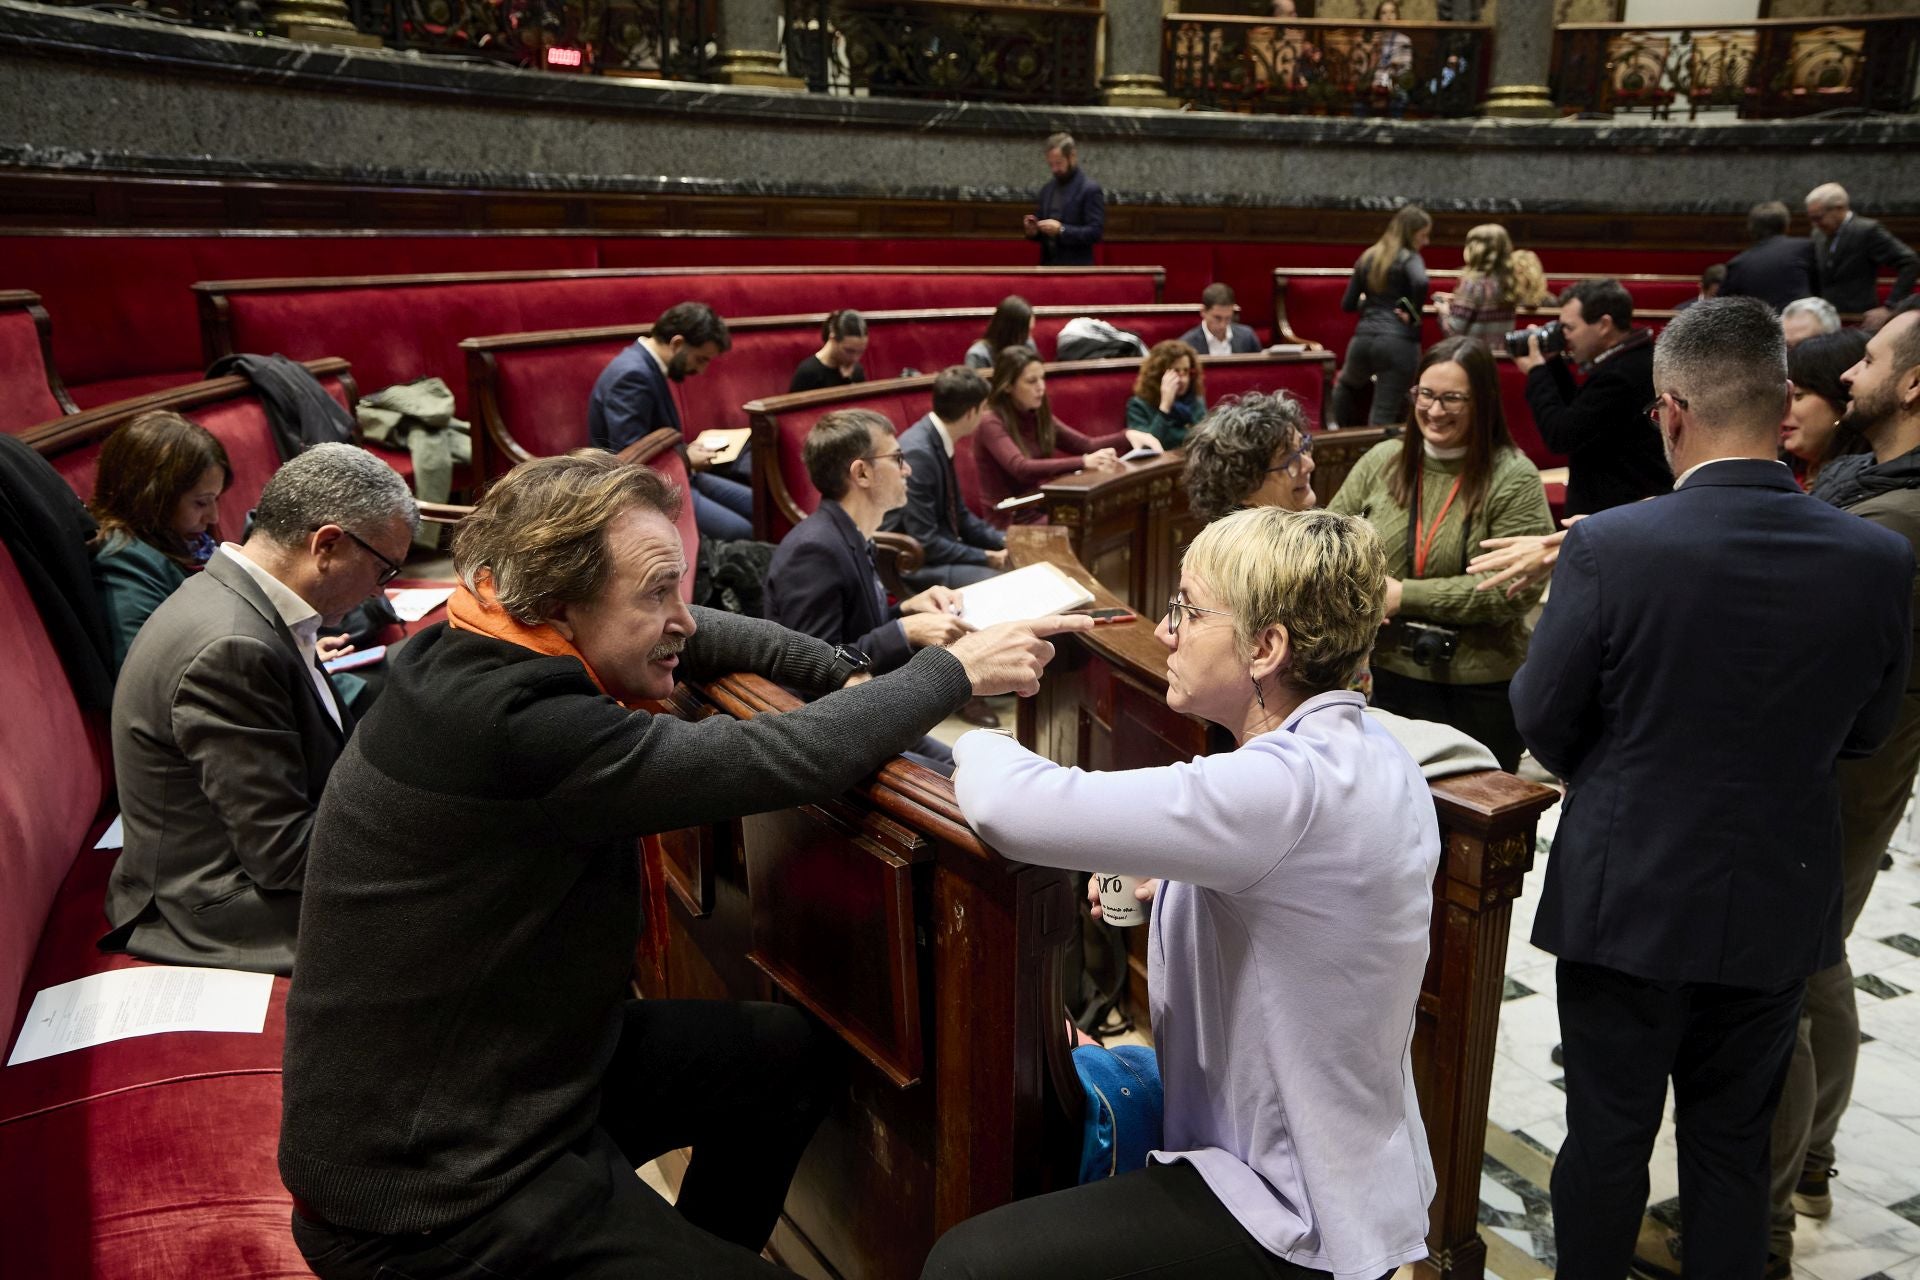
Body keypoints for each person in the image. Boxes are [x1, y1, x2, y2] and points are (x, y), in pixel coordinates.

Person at [278, 451, 1089, 1280]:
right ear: (561, 601)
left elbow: (707, 631)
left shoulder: (480, 634)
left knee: (782, 1055)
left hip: (518, 1076)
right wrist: (951, 670)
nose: (685, 619)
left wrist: (836, 672)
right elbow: (781, 759)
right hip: (433, 1188)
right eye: (655, 591)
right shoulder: (519, 725)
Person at [923, 506, 1442, 1280]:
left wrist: (976, 716)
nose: (1166, 633)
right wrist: (1181, 884)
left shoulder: (1281, 785)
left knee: (965, 1264)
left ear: (1266, 648)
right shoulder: (1367, 746)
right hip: (1347, 1158)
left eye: (1188, 611)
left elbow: (1014, 806)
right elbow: (1309, 904)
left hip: (1289, 1200)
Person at [1510, 296, 1912, 1280]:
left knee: (1607, 1140)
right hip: (1777, 896)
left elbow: (1544, 721)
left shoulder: (1612, 546)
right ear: (1783, 408)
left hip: (1629, 894)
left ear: (1671, 411)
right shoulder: (1877, 557)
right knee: (1733, 1152)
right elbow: (1865, 733)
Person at [102, 443, 417, 976]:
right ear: (328, 545)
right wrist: (427, 820)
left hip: (246, 864)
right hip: (216, 903)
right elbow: (283, 856)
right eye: (383, 569)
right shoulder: (232, 647)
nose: (376, 593)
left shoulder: (242, 598)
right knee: (473, 905)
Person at [1767, 303, 1920, 1275]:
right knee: (1816, 967)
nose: (1851, 373)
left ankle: (1759, 1219)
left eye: (1867, 359)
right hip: (1856, 780)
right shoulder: (1876, 493)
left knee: (1782, 986)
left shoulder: (1892, 519)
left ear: (1911, 383)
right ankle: (1809, 1159)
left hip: (1837, 782)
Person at [1326, 337, 1552, 771]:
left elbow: (1513, 590)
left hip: (1480, 687)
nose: (1434, 410)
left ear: (1483, 401)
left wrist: (1402, 595)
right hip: (1391, 676)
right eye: (1425, 394)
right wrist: (1356, 590)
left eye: (1452, 398)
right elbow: (1328, 546)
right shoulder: (1384, 460)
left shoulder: (1513, 477)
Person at [763, 409, 974, 773]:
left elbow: (854, 632)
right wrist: (904, 632)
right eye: (897, 459)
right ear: (861, 472)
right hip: (832, 738)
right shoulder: (813, 550)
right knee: (966, 783)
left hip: (868, 710)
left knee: (978, 761)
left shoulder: (851, 534)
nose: (906, 469)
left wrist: (908, 610)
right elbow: (814, 669)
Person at [588, 301, 751, 542]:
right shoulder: (632, 375)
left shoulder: (647, 366)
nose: (701, 369)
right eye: (700, 359)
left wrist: (686, 453)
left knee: (758, 504)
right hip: (646, 490)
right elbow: (630, 457)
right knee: (740, 531)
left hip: (676, 474)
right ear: (677, 344)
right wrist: (685, 458)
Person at [86, 410, 231, 674]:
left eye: (216, 499)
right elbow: (147, 678)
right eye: (201, 502)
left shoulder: (186, 543)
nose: (213, 517)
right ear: (152, 498)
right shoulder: (124, 562)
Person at [1515, 277, 1672, 514]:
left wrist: (1537, 372)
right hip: (1624, 508)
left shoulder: (1620, 377)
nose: (1564, 336)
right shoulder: (1635, 359)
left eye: (1569, 327)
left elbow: (1561, 435)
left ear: (1603, 324)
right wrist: (1553, 364)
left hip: (1613, 515)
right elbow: (1580, 414)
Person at [974, 345, 1159, 526]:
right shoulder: (990, 422)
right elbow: (1021, 468)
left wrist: (1127, 435)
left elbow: (1085, 444)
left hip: (1040, 508)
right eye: (1031, 381)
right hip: (1009, 520)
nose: (1041, 387)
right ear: (1007, 386)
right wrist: (1085, 462)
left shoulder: (1037, 414)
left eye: (1042, 379)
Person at [883, 366, 1010, 590]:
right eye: (983, 409)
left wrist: (1004, 540)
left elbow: (959, 514)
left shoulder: (936, 438)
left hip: (937, 551)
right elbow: (925, 541)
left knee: (1016, 567)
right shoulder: (919, 454)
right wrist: (987, 556)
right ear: (971, 412)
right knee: (1003, 583)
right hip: (913, 564)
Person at [1330, 205, 1431, 428]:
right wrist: (1413, 313)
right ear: (1410, 232)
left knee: (1345, 385)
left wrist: (1370, 303)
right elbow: (1421, 281)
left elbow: (1347, 304)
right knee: (1383, 413)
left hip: (1363, 339)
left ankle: (1338, 433)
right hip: (1398, 342)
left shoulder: (1368, 256)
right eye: (1423, 235)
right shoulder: (1409, 257)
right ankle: (1378, 458)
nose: (1427, 241)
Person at [1183, 391, 1318, 524]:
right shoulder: (1237, 546)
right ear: (1244, 490)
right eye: (1289, 459)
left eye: (1304, 447)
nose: (1310, 464)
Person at [1806, 182, 1919, 327]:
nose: (1815, 224)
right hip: (1826, 319)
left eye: (1818, 218)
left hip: (1859, 319)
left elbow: (1909, 261)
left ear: (1839, 208)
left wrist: (1891, 306)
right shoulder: (1818, 234)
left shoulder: (1867, 230)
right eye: (1812, 219)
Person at [1780, 329, 1869, 496]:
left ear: (1842, 400)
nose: (1782, 409)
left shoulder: (1867, 482)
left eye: (1798, 396)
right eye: (1783, 396)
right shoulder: (1777, 470)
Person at [1723, 200, 1819, 312]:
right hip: (1802, 323)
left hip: (1761, 326)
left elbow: (1723, 307)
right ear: (1786, 226)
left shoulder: (1738, 264)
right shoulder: (1805, 248)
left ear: (1751, 229)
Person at [1025, 133, 1103, 267]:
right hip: (1048, 267)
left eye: (1059, 163)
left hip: (1076, 270)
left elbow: (1095, 233)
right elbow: (1043, 231)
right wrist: (1034, 231)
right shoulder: (1047, 189)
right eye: (1051, 164)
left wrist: (1062, 230)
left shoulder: (1090, 189)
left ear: (1072, 157)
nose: (1055, 169)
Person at [1442, 223, 1519, 348]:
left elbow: (1454, 331)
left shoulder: (1472, 284)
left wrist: (1443, 310)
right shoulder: (1509, 281)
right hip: (1497, 357)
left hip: (1473, 356)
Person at [1125, 340, 1207, 448]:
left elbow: (1205, 440)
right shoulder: (1139, 406)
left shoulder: (1195, 402)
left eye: (1186, 371)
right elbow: (1148, 447)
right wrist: (1165, 407)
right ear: (1159, 374)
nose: (1183, 380)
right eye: (1175, 371)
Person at [788, 309, 870, 393]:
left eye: (860, 352)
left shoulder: (856, 370)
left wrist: (848, 380)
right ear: (832, 339)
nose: (855, 358)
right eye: (849, 351)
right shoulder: (808, 373)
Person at [1179, 282, 1261, 356]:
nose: (1222, 325)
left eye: (1228, 318)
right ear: (1203, 312)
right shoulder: (1186, 345)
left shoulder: (1247, 337)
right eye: (1217, 318)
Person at [965, 295, 1034, 371]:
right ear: (1010, 330)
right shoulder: (978, 355)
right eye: (1025, 331)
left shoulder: (1027, 343)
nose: (1029, 336)